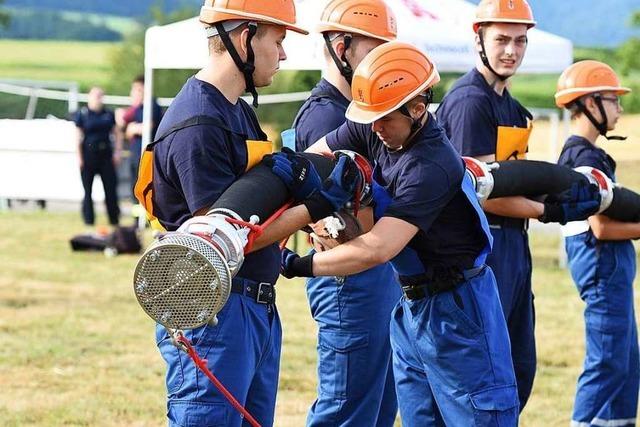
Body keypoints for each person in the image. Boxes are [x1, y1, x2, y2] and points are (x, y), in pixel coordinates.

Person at [141, 1, 363, 425]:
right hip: (215, 313)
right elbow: (217, 247)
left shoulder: (235, 110)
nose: (283, 54)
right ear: (244, 36)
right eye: (277, 40)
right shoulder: (200, 124)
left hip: (252, 307)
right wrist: (316, 205)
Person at [285, 40, 520, 426]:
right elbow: (316, 154)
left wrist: (295, 264)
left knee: (481, 417)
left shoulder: (431, 165)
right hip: (411, 306)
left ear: (417, 108)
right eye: (370, 118)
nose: (374, 129)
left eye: (384, 119)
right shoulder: (376, 125)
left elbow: (377, 248)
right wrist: (319, 207)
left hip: (459, 311)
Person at [436, 0, 558, 409]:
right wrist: (549, 210)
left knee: (519, 366)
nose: (511, 50)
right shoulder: (471, 102)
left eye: (520, 41)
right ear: (479, 40)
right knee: (488, 376)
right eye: (502, 39)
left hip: (514, 247)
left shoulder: (510, 105)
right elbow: (479, 194)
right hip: (484, 249)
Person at [290, 1, 400, 425]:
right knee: (347, 411)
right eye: (374, 50)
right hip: (348, 281)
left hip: (372, 274)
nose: (383, 63)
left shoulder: (358, 111)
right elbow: (333, 224)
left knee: (376, 408)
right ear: (340, 47)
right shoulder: (326, 115)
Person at [555, 60, 639, 427]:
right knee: (608, 361)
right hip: (602, 267)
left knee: (625, 363)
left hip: (610, 269)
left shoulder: (589, 156)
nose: (620, 108)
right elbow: (602, 228)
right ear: (590, 104)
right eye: (613, 99)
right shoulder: (584, 159)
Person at [73, 86, 121, 228]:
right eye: (95, 95)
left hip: (106, 155)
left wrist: (117, 152)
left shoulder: (108, 114)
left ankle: (114, 219)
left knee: (110, 189)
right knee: (88, 191)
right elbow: (77, 137)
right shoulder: (83, 114)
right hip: (88, 155)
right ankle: (89, 220)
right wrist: (79, 157)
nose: (98, 99)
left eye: (100, 96)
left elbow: (117, 133)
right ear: (89, 97)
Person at [118, 75, 162, 202]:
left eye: (135, 90)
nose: (132, 93)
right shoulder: (137, 109)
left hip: (148, 156)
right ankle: (137, 219)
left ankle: (145, 219)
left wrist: (133, 128)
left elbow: (148, 126)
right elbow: (126, 130)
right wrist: (130, 128)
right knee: (135, 187)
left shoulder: (152, 105)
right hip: (136, 154)